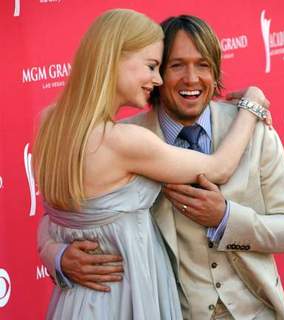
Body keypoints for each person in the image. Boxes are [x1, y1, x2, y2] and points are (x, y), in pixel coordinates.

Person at [34, 10, 269, 320]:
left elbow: (57, 219)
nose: (157, 80)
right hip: (124, 301)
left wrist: (55, 253)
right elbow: (219, 167)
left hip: (75, 303)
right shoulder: (124, 141)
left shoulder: (48, 121)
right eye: (151, 66)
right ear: (113, 57)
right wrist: (252, 105)